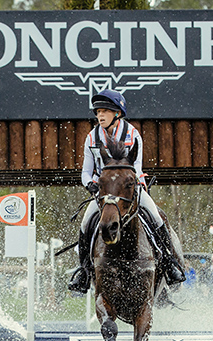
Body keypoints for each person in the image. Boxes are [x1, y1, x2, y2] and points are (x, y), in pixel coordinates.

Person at [68, 89, 186, 294]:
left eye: (105, 111)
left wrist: (132, 185)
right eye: (97, 112)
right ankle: (84, 272)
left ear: (118, 113)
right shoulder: (91, 137)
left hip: (129, 190)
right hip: (102, 193)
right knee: (86, 223)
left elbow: (137, 168)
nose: (100, 116)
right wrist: (92, 186)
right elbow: (86, 172)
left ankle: (169, 264)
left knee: (157, 217)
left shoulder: (133, 134)